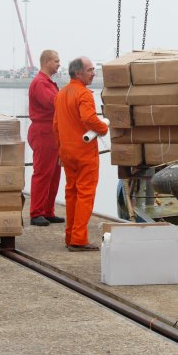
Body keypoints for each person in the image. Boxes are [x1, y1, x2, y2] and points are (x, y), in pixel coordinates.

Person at [53, 56, 108, 251]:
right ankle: (78, 239)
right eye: (90, 70)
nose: (94, 73)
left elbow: (56, 125)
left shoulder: (61, 94)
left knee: (71, 192)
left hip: (67, 151)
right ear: (79, 73)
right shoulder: (84, 94)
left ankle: (70, 236)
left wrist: (61, 149)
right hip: (84, 152)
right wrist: (103, 128)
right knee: (85, 193)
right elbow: (88, 118)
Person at [27, 50, 64, 226]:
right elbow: (53, 102)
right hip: (43, 131)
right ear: (47, 62)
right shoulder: (40, 83)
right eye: (56, 61)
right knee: (42, 173)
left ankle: (48, 210)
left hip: (53, 132)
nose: (59, 64)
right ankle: (36, 212)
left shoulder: (48, 82)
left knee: (54, 173)